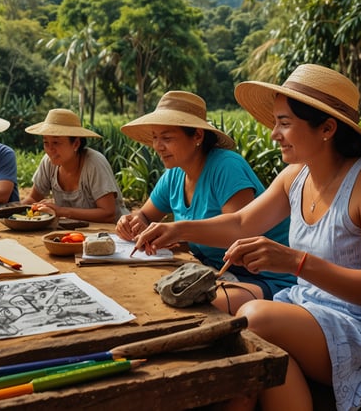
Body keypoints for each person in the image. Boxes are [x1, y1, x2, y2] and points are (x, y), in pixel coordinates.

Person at [134, 65, 361, 411]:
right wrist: (178, 228)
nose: (274, 134)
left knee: (254, 317)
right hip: (309, 308)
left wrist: (294, 261)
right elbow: (243, 221)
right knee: (229, 332)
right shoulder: (295, 176)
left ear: (327, 128)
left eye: (284, 123)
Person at [116, 91, 294, 314]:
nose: (158, 146)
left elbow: (239, 235)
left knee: (192, 307)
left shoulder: (226, 167)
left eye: (167, 138)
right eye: (155, 137)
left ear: (197, 136)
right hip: (214, 273)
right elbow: (145, 215)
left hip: (263, 278)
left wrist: (179, 232)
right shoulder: (174, 175)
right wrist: (132, 223)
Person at [21, 108, 128, 223]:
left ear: (76, 144)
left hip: (111, 234)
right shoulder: (49, 162)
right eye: (46, 142)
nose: (50, 149)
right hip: (73, 233)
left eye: (56, 142)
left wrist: (62, 211)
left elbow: (108, 213)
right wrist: (14, 212)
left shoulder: (94, 164)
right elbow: (33, 198)